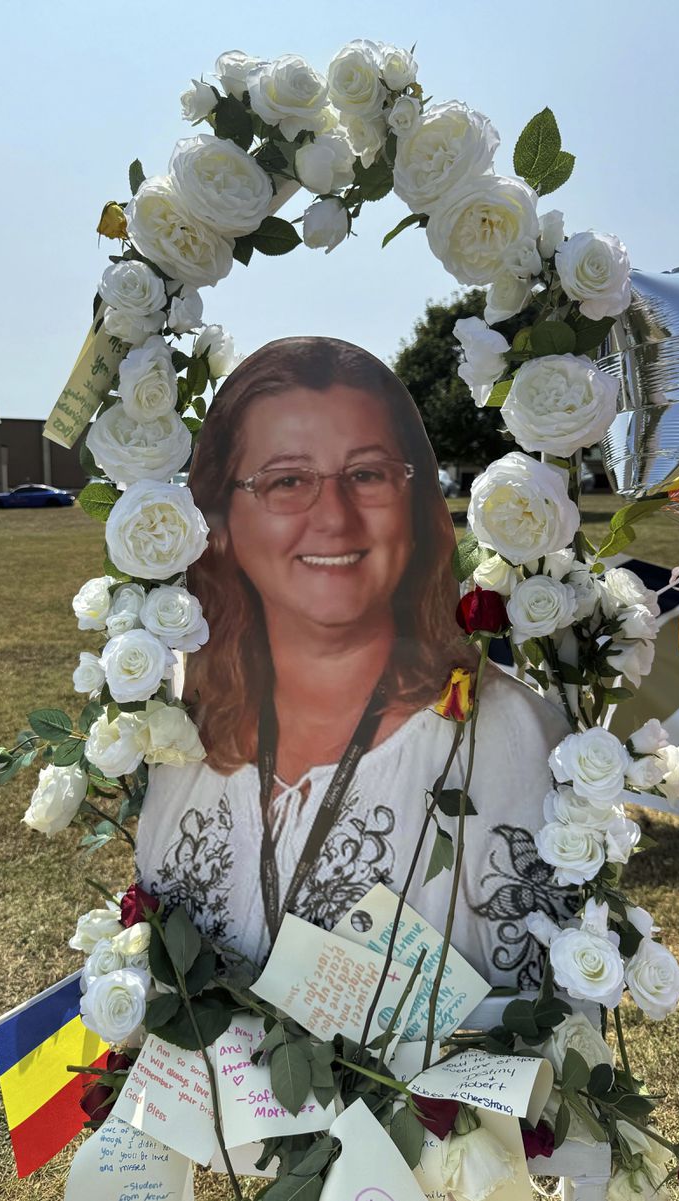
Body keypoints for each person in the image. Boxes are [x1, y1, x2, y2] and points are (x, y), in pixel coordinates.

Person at [135, 336, 575, 989]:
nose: (334, 517)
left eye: (367, 474)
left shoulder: (503, 740)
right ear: (219, 521)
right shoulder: (178, 723)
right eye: (288, 480)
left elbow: (549, 1043)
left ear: (414, 503)